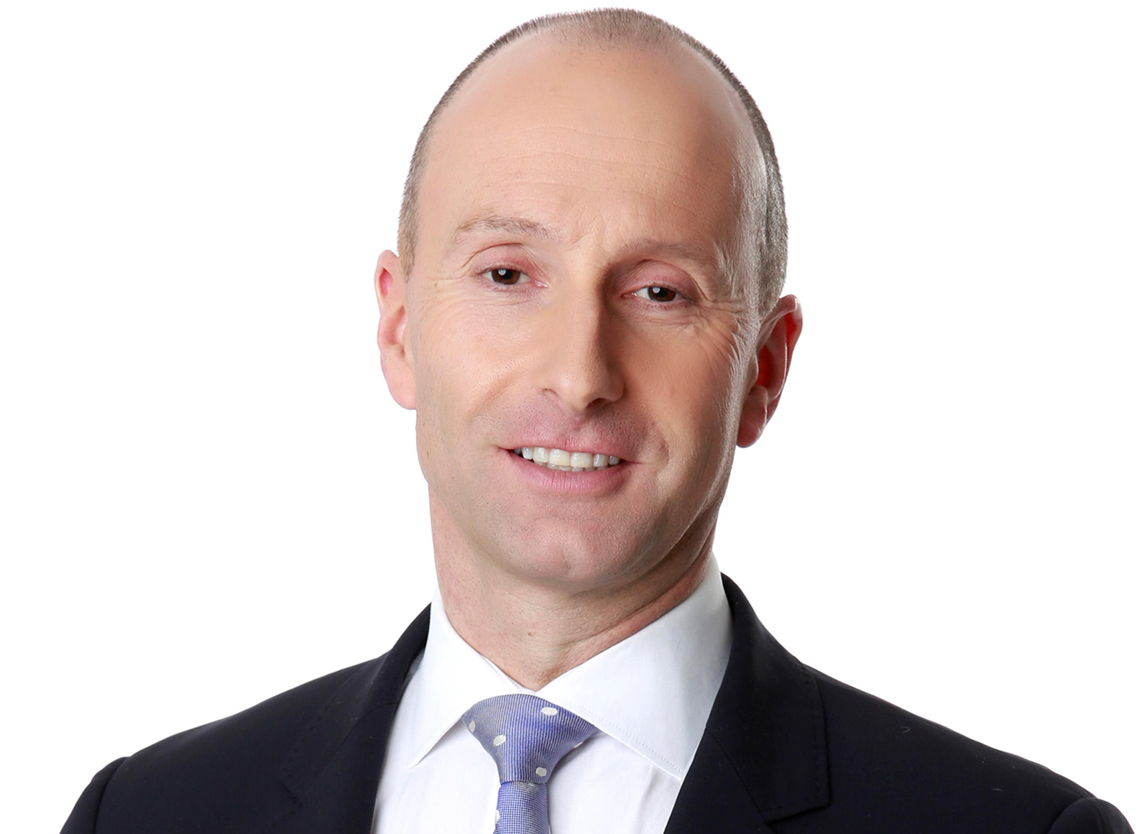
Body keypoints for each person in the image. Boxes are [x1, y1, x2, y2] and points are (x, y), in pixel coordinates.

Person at [61, 9, 1133, 834]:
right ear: (398, 329)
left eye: (660, 292)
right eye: (507, 274)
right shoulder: (146, 816)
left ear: (764, 370)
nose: (579, 375)